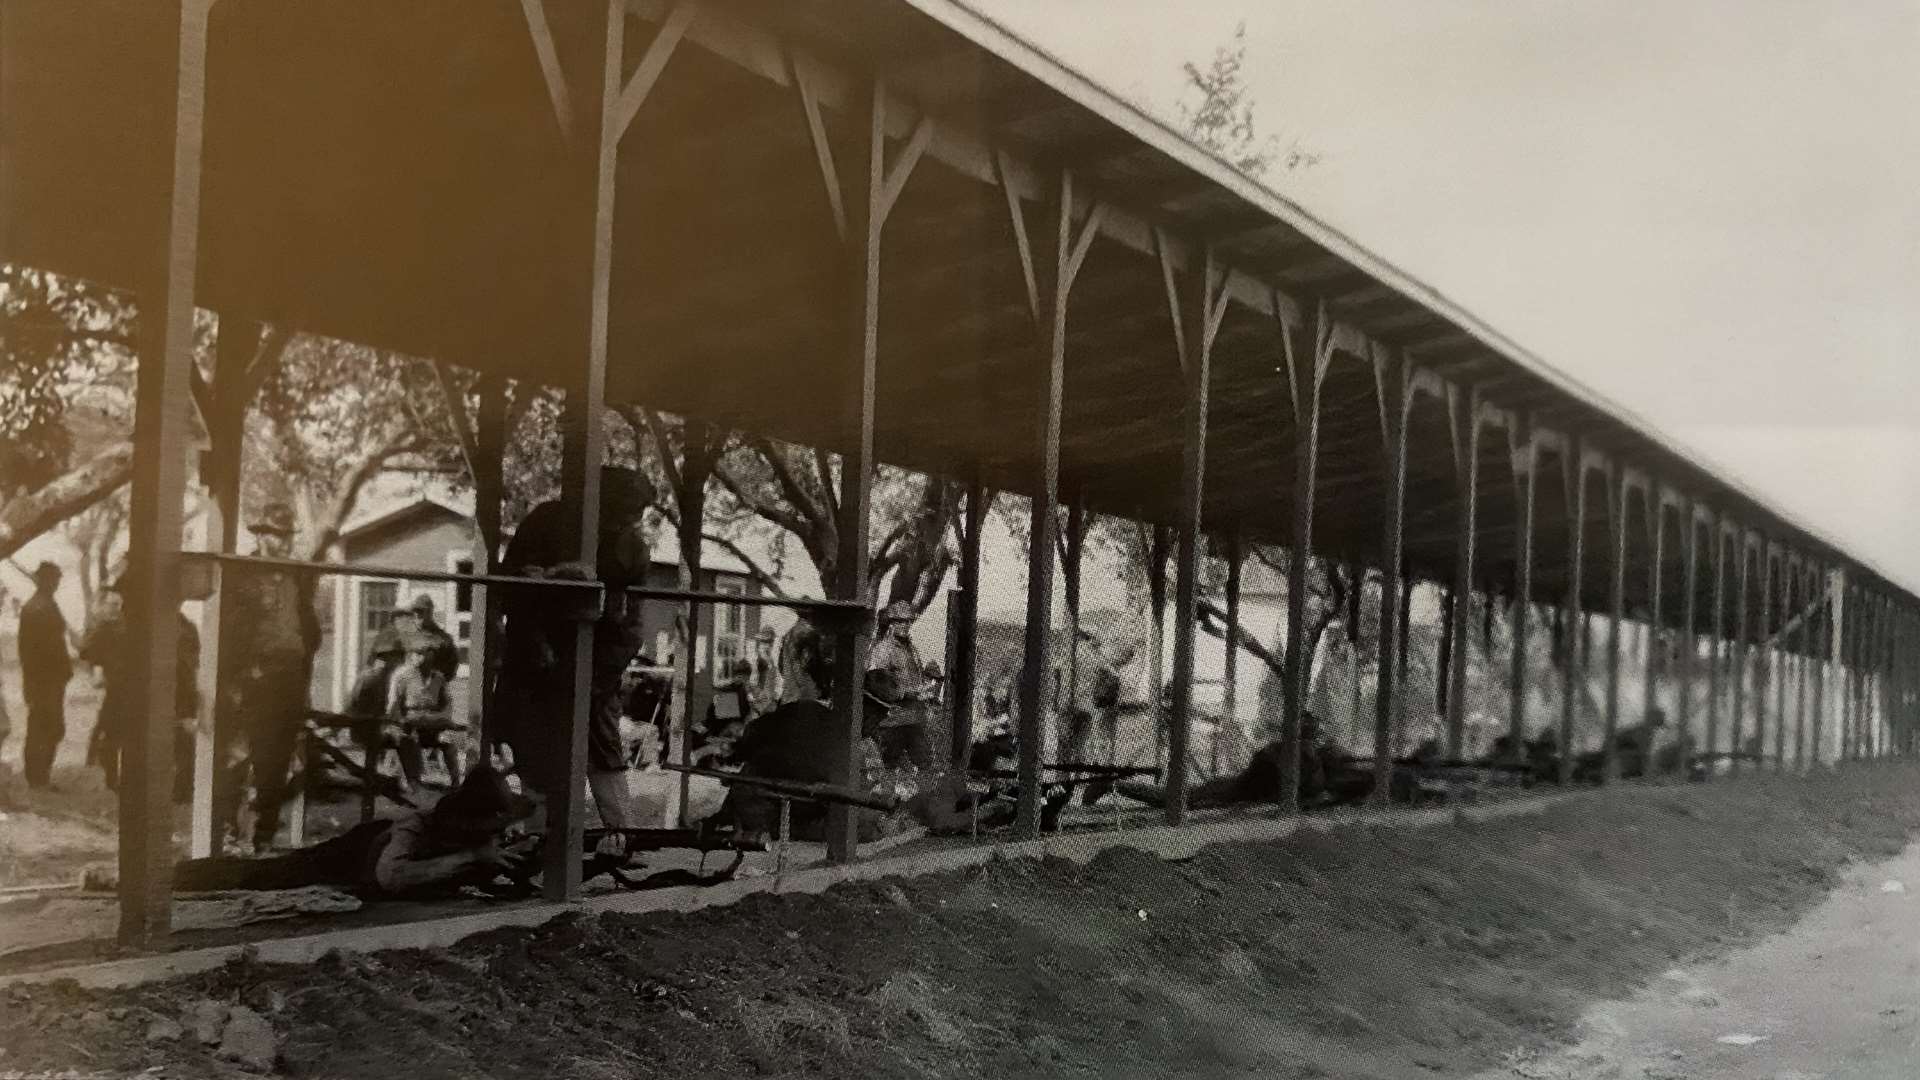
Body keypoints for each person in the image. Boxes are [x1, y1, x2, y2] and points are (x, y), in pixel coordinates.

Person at [495, 466, 652, 823]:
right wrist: (537, 642)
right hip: (536, 653)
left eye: (635, 514)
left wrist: (600, 675)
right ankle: (538, 841)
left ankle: (620, 835)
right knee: (534, 751)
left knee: (602, 746)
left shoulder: (632, 547)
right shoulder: (546, 521)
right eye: (621, 512)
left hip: (596, 658)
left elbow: (629, 621)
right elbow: (510, 588)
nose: (627, 522)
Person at [171, 751, 535, 899]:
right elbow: (389, 876)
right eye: (492, 820)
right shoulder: (417, 826)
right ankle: (180, 878)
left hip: (367, 861)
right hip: (347, 857)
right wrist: (470, 858)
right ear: (467, 817)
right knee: (262, 876)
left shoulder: (479, 832)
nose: (498, 829)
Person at [221, 502, 323, 852]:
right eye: (277, 536)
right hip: (254, 676)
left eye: (287, 536)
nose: (283, 543)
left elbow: (308, 631)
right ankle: (228, 831)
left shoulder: (296, 577)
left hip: (289, 676)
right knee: (240, 753)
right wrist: (238, 673)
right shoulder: (241, 574)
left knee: (278, 759)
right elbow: (229, 629)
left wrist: (304, 675)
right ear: (261, 536)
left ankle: (263, 835)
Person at [81, 572, 202, 798]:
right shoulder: (120, 624)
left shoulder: (182, 627)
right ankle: (115, 780)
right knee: (117, 737)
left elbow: (188, 667)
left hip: (166, 691)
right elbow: (91, 650)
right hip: (124, 689)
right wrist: (98, 670)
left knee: (174, 740)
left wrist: (188, 703)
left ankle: (178, 788)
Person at [867, 601, 942, 771]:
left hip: (913, 718)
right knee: (888, 767)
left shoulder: (911, 649)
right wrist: (906, 693)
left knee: (925, 763)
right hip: (892, 720)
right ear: (892, 623)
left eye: (908, 621)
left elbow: (914, 679)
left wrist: (928, 679)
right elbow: (876, 685)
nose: (905, 625)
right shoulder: (884, 650)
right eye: (900, 621)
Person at [17, 562, 72, 790]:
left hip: (51, 679)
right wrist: (33, 684)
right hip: (43, 680)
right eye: (53, 579)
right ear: (44, 580)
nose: (57, 583)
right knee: (45, 727)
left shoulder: (46, 605)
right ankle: (37, 778)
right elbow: (30, 651)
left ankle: (40, 776)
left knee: (49, 727)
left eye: (58, 579)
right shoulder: (36, 608)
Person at [389, 632, 462, 791]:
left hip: (431, 726)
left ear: (433, 656)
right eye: (418, 653)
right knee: (409, 738)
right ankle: (413, 781)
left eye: (426, 654)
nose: (421, 658)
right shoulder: (402, 676)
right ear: (411, 655)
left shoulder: (438, 678)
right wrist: (402, 721)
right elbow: (394, 706)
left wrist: (442, 718)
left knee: (449, 740)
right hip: (407, 726)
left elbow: (447, 704)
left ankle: (456, 783)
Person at [403, 594, 460, 686]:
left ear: (430, 612)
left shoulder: (444, 639)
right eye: (415, 611)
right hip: (410, 688)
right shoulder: (407, 636)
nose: (417, 614)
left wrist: (435, 678)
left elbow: (452, 667)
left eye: (420, 611)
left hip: (434, 689)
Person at [747, 626, 781, 713]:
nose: (769, 645)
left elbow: (775, 681)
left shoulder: (771, 661)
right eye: (766, 642)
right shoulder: (757, 659)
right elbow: (752, 682)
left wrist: (775, 695)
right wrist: (757, 696)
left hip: (769, 702)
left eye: (771, 642)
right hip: (759, 703)